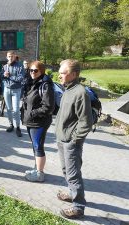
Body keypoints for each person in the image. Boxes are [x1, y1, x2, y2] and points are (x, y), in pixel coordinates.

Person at [55, 59, 93, 219]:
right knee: (66, 171)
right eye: (60, 72)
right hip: (62, 139)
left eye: (63, 73)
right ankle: (72, 193)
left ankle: (78, 207)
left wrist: (74, 140)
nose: (59, 76)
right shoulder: (68, 90)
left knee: (73, 174)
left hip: (71, 141)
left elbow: (86, 122)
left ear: (74, 74)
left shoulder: (80, 92)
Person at [21, 61, 54, 182]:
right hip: (31, 121)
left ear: (41, 71)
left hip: (39, 122)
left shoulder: (45, 85)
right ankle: (37, 169)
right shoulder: (32, 83)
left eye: (36, 70)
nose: (33, 73)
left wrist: (32, 113)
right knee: (35, 146)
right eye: (31, 70)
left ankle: (40, 174)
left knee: (38, 146)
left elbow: (48, 107)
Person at [1, 51, 24, 137]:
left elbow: (21, 78)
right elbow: (1, 76)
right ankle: (11, 125)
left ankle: (18, 127)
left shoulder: (20, 66)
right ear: (7, 57)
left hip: (16, 90)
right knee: (9, 109)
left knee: (16, 110)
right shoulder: (5, 66)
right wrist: (3, 74)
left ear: (15, 57)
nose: (10, 58)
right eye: (9, 56)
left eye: (12, 56)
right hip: (7, 90)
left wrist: (9, 76)